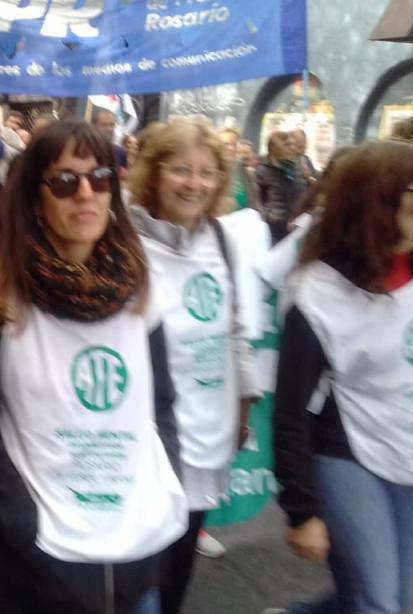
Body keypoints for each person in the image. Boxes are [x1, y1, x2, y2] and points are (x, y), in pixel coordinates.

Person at [0, 120, 187, 614]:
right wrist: (26, 530)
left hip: (136, 545)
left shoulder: (142, 290)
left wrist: (162, 492)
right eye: (63, 181)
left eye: (99, 177)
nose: (85, 193)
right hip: (40, 561)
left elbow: (162, 407)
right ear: (35, 198)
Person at [270, 141, 413, 614]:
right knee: (378, 602)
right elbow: (291, 413)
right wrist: (303, 511)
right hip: (348, 453)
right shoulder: (317, 296)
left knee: (395, 596)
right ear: (380, 201)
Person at [127, 120, 261, 614]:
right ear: (154, 173)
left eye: (207, 173)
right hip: (148, 432)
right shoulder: (124, 239)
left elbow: (235, 329)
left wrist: (243, 406)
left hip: (207, 427)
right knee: (140, 570)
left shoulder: (222, 240)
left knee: (178, 565)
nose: (195, 184)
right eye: (181, 170)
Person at [257, 131, 310, 245]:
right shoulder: (263, 170)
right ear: (276, 149)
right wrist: (270, 220)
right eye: (287, 145)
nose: (292, 148)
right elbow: (258, 202)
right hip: (273, 231)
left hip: (296, 227)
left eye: (292, 144)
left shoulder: (298, 166)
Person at [219, 127, 261, 212]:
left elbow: (253, 199)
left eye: (234, 144)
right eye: (226, 144)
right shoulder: (212, 170)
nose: (230, 148)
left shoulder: (243, 169)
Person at [91, 107, 128, 171]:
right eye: (104, 125)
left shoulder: (120, 152)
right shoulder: (84, 149)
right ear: (93, 126)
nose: (109, 129)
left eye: (112, 125)